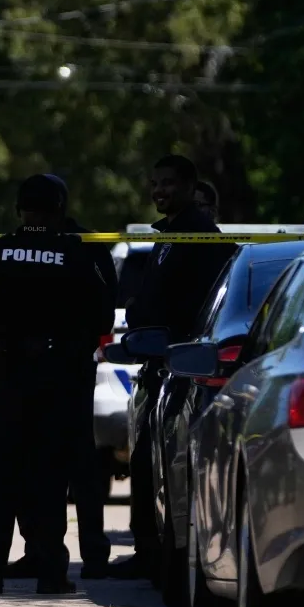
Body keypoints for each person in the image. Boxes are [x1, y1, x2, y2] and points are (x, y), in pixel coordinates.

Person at [0, 174, 115, 595]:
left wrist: (5, 325)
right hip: (58, 380)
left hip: (7, 379)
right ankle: (50, 573)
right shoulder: (75, 254)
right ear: (60, 209)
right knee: (49, 477)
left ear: (19, 210)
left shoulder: (0, 253)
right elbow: (103, 319)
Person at [120, 155, 227, 578]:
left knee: (167, 466)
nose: (159, 190)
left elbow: (192, 304)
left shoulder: (200, 236)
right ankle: (149, 552)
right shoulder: (170, 234)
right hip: (159, 364)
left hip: (184, 365)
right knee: (146, 462)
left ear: (188, 186)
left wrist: (149, 317)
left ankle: (163, 556)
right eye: (154, 182)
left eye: (167, 183)